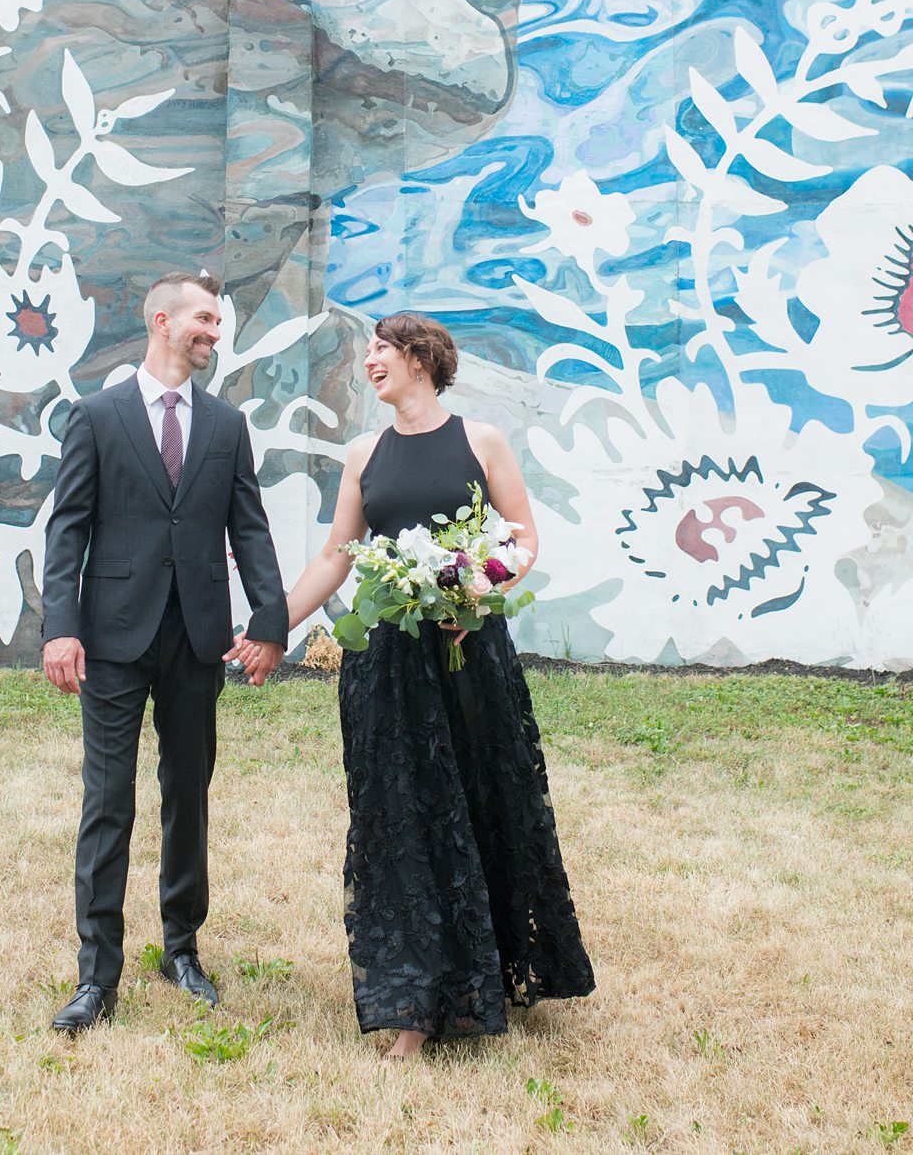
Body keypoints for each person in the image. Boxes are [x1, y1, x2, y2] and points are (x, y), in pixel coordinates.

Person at [233, 311, 593, 1056]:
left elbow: (523, 538)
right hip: (387, 666)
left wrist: (480, 589)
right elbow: (337, 557)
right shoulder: (365, 453)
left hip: (468, 657)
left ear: (420, 358)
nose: (369, 361)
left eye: (381, 349)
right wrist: (273, 626)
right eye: (368, 350)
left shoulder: (480, 440)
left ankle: (487, 975)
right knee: (401, 816)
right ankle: (414, 1005)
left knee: (483, 802)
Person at [41, 272, 288, 1035]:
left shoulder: (226, 424)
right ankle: (97, 975)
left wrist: (271, 620)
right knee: (107, 803)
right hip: (112, 638)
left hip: (198, 640)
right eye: (205, 319)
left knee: (189, 795)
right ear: (162, 320)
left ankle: (181, 949)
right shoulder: (96, 416)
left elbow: (248, 527)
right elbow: (68, 529)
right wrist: (60, 626)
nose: (215, 331)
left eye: (218, 321)